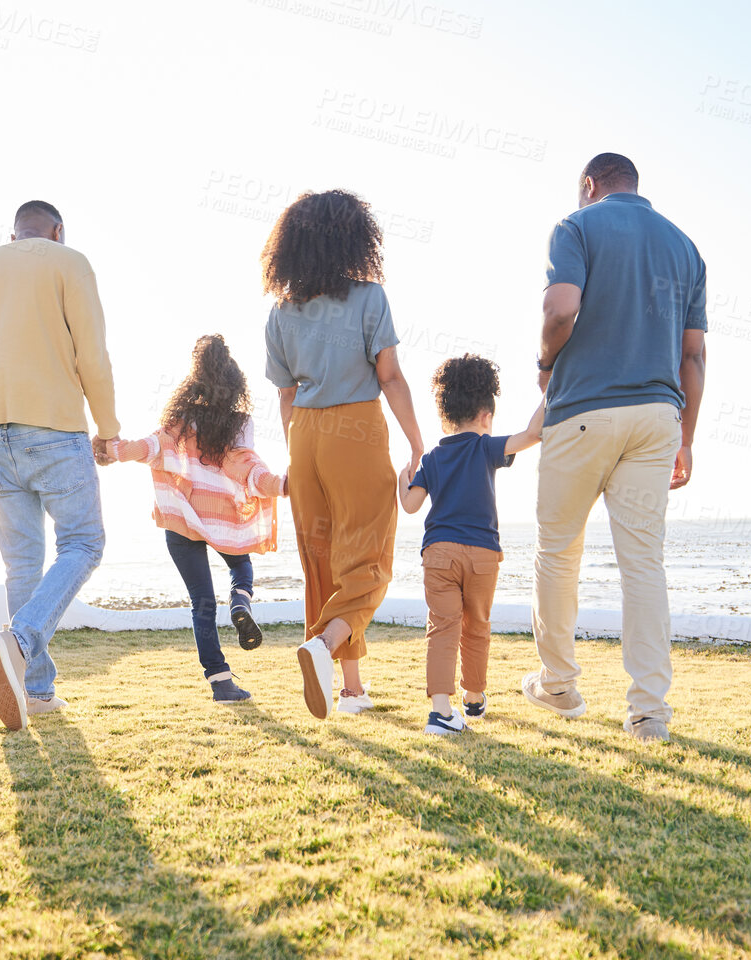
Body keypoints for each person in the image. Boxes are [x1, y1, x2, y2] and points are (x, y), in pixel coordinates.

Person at [527, 153, 708, 743]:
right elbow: (694, 357)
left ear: (588, 185)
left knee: (558, 551)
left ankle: (559, 684)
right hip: (658, 418)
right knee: (643, 564)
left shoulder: (575, 227)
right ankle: (649, 712)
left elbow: (559, 309)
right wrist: (687, 437)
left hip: (582, 411)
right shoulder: (685, 247)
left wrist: (546, 363)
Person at [0, 200, 119, 732]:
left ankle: (37, 690)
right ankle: (18, 640)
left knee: (21, 566)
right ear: (57, 231)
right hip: (54, 429)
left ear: (15, 232)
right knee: (84, 544)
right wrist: (109, 429)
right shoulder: (69, 263)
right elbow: (92, 354)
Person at [262, 189, 426, 720]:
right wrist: (417, 443)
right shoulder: (369, 297)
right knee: (371, 559)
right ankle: (324, 645)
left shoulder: (281, 312)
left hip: (303, 436)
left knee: (323, 563)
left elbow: (285, 396)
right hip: (355, 426)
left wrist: (294, 455)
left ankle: (350, 690)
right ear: (355, 240)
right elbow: (391, 377)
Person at [106, 335, 287, 702]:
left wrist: (114, 450)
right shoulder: (240, 423)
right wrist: (283, 485)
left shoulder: (180, 421)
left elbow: (150, 447)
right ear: (235, 386)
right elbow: (248, 468)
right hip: (223, 521)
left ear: (194, 381)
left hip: (184, 521)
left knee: (201, 602)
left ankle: (221, 682)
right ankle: (240, 600)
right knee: (242, 568)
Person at [399, 356, 544, 737]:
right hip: (482, 554)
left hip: (439, 553)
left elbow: (411, 505)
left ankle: (441, 712)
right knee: (476, 626)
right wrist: (552, 385)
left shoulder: (432, 457)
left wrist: (403, 480)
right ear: (485, 414)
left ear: (446, 415)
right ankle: (475, 698)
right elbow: (533, 433)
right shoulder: (486, 448)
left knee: (442, 628)